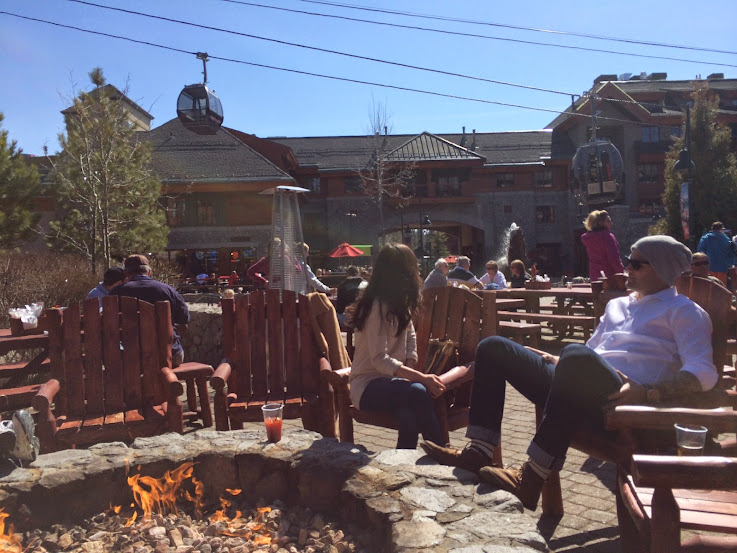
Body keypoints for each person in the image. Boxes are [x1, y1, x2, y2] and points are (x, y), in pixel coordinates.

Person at [421, 235, 716, 511]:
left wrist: (648, 391)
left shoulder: (685, 312)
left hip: (621, 403)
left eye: (637, 264)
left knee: (576, 354)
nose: (627, 268)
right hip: (579, 388)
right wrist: (559, 360)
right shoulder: (617, 305)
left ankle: (532, 477)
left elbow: (703, 374)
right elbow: (592, 351)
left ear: (662, 270)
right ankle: (478, 452)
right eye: (629, 260)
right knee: (493, 347)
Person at [348, 243, 446, 449]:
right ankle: (441, 452)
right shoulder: (376, 306)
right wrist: (421, 378)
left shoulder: (400, 301)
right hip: (366, 386)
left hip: (393, 383)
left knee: (408, 414)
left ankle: (403, 460)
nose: (417, 272)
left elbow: (410, 336)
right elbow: (378, 359)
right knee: (418, 391)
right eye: (413, 268)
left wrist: (409, 368)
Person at [111, 255, 190, 368]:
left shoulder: (116, 293)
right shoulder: (168, 290)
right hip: (170, 355)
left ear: (126, 273)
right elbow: (184, 321)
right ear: (149, 272)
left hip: (131, 358)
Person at [580, 210, 625, 281]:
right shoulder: (608, 237)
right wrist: (622, 273)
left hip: (595, 275)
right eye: (608, 221)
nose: (611, 223)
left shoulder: (588, 239)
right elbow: (614, 259)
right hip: (610, 276)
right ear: (600, 223)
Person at [697, 221, 736, 285]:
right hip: (722, 268)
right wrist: (731, 264)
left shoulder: (705, 238)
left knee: (708, 285)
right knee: (721, 286)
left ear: (712, 228)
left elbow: (700, 251)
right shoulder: (726, 239)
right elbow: (730, 254)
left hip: (708, 267)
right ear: (721, 229)